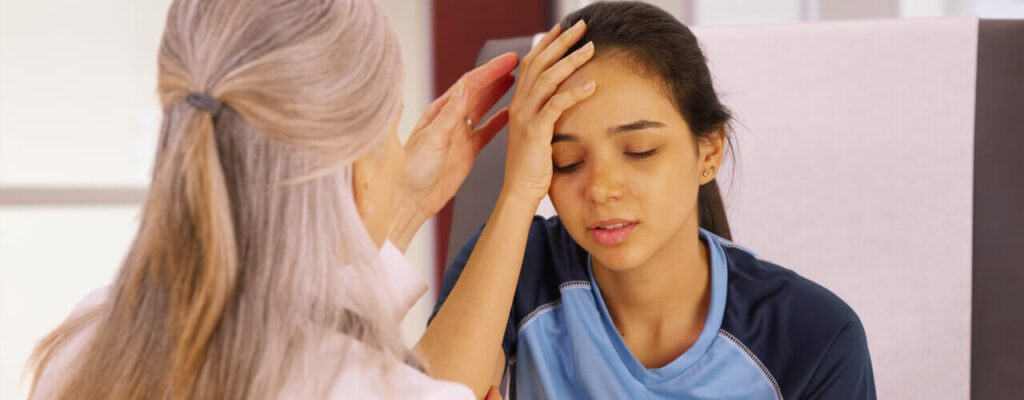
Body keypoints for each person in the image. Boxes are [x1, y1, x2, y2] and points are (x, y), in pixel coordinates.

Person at [27, 0, 523, 398]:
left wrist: (407, 203)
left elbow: (280, 326)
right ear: (360, 169)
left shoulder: (85, 343)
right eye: (391, 130)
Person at [429, 2, 877, 399]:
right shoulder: (517, 270)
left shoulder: (813, 336)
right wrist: (517, 192)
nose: (602, 189)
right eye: (566, 160)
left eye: (640, 151)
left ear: (709, 150)